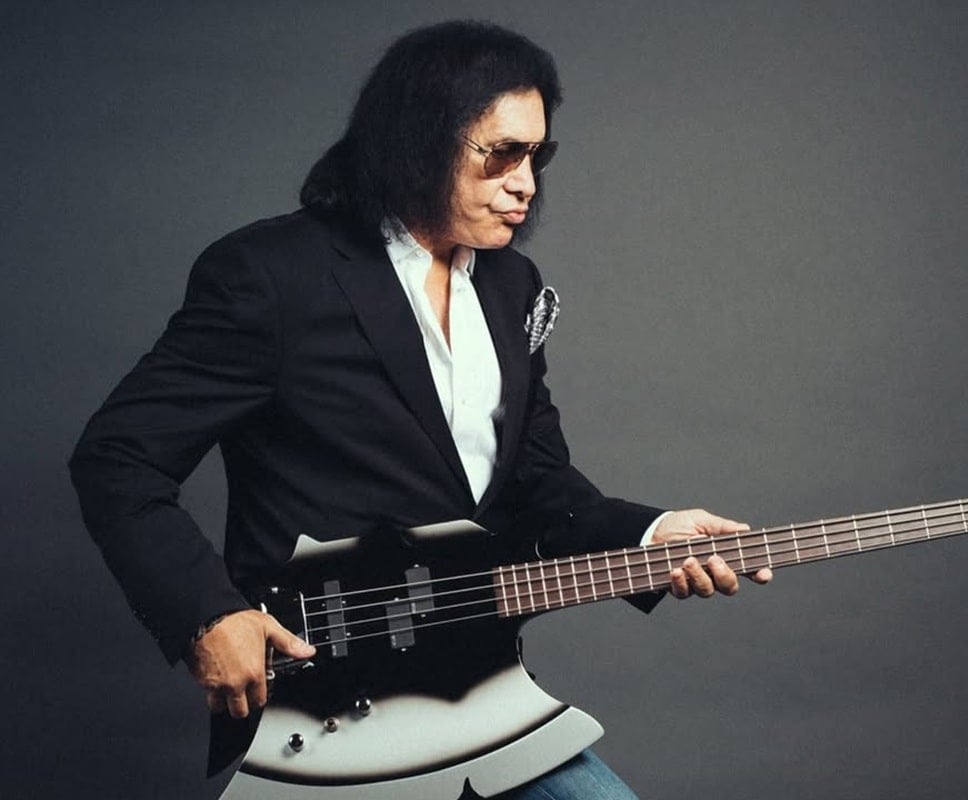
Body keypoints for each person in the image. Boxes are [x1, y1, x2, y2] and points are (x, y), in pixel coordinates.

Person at [69, 20, 770, 799]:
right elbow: (118, 459)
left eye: (537, 156)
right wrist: (206, 617)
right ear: (418, 140)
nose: (525, 183)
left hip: (477, 690)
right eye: (502, 153)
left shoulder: (511, 286)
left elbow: (538, 483)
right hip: (327, 706)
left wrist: (650, 534)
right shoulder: (273, 275)